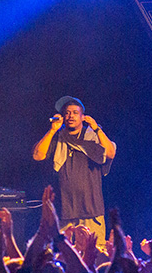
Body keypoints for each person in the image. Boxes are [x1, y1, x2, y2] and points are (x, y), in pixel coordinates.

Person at [33, 96, 116, 243]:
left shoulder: (92, 137)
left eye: (75, 112)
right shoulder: (58, 137)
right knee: (66, 257)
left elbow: (110, 153)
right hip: (65, 212)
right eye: (67, 113)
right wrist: (52, 131)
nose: (71, 116)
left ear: (82, 116)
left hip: (91, 212)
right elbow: (38, 155)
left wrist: (96, 128)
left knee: (94, 256)